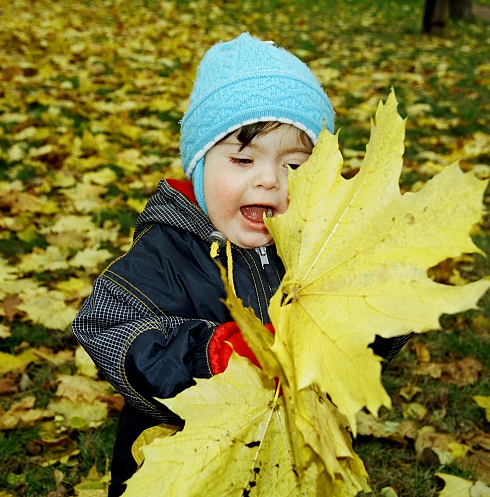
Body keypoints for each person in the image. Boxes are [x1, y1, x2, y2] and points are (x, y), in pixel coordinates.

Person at [72, 32, 411, 497]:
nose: (269, 179)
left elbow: (355, 353)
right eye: (242, 159)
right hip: (181, 466)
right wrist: (209, 355)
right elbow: (107, 324)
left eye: (293, 165)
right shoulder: (167, 250)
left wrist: (382, 306)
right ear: (200, 165)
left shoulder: (313, 252)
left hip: (289, 457)